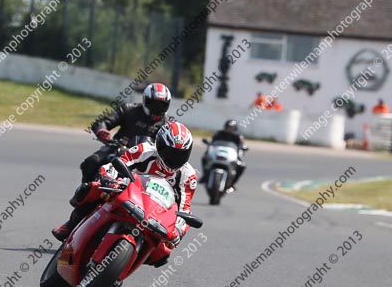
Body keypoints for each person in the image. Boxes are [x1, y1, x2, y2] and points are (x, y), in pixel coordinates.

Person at [53, 121, 198, 268]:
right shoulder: (144, 150)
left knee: (163, 254)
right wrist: (108, 178)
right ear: (159, 144)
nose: (174, 159)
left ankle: (125, 261)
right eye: (170, 152)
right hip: (128, 193)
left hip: (157, 213)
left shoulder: (189, 176)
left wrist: (179, 231)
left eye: (181, 155)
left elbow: (185, 209)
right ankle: (71, 226)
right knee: (90, 189)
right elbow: (115, 165)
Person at [80, 82, 171, 183]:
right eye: (154, 104)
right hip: (117, 148)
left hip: (147, 158)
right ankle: (85, 190)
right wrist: (101, 130)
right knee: (92, 161)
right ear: (145, 100)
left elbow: (170, 145)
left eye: (161, 105)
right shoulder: (128, 109)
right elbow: (102, 122)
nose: (157, 108)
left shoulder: (167, 124)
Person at [200, 119, 247, 191]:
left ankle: (232, 183)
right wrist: (208, 142)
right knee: (204, 158)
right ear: (225, 127)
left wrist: (243, 147)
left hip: (231, 156)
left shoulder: (238, 136)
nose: (230, 129)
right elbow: (212, 141)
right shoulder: (219, 133)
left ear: (235, 128)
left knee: (242, 166)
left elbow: (242, 144)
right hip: (218, 153)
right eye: (228, 127)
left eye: (232, 128)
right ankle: (205, 176)